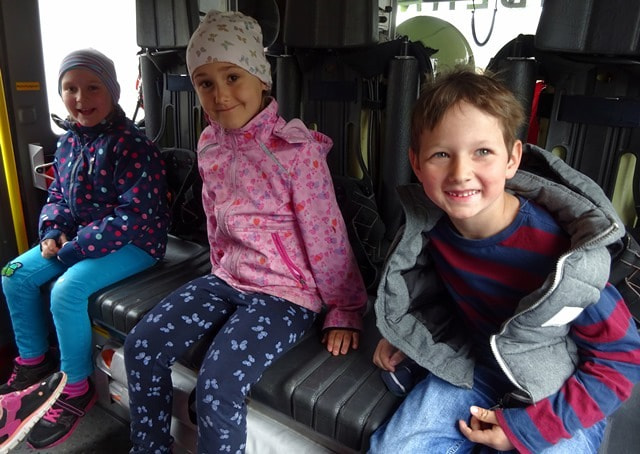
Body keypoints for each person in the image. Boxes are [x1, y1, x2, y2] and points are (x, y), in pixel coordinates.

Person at [124, 9, 367, 454]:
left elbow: (327, 237)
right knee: (142, 344)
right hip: (227, 279)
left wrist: (344, 309)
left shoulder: (295, 153)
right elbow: (214, 216)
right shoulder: (209, 144)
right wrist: (220, 268)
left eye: (233, 77)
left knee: (218, 385)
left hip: (286, 294)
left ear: (262, 79)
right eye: (205, 83)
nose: (220, 95)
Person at [369, 68, 640, 453]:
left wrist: (529, 428)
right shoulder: (427, 230)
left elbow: (621, 358)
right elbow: (430, 294)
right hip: (476, 371)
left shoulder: (564, 254)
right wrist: (407, 336)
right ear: (416, 163)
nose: (460, 173)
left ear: (512, 158)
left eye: (482, 152)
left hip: (557, 393)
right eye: (441, 154)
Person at [0, 48, 169, 449]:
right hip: (77, 238)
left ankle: (75, 387)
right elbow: (58, 195)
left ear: (112, 91)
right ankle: (33, 362)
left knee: (67, 291)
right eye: (70, 88)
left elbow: (134, 215)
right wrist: (52, 231)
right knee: (13, 275)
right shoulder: (67, 143)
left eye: (93, 88)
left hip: (137, 242)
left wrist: (75, 248)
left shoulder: (132, 145)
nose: (81, 98)